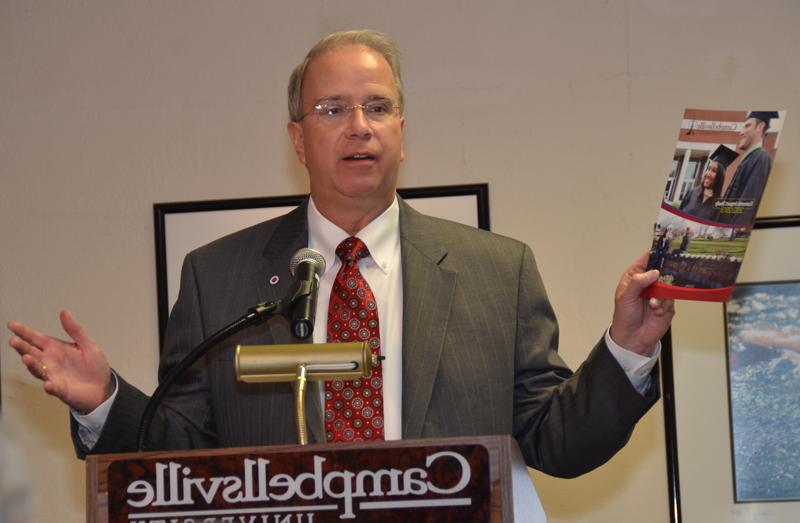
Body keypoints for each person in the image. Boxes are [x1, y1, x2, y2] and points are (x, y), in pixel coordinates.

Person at [7, 30, 674, 479]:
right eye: (332, 110)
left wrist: (627, 349)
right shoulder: (218, 277)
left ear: (402, 134)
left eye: (378, 107)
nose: (359, 127)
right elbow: (181, 456)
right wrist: (105, 403)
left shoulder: (498, 273)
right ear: (297, 139)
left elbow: (558, 442)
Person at [716, 111, 779, 225]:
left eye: (747, 126)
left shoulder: (760, 158)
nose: (741, 132)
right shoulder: (749, 158)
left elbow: (746, 207)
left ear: (760, 126)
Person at [679, 145, 735, 221]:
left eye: (714, 170)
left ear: (720, 177)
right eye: (708, 169)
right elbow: (678, 215)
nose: (708, 173)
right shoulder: (692, 193)